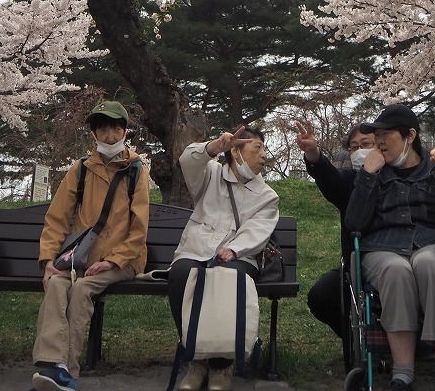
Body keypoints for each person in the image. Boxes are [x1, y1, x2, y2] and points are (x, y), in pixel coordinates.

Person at [346, 104, 435, 391]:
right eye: (376, 135)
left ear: (410, 135)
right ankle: (402, 372)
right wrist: (366, 177)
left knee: (427, 263)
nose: (378, 142)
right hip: (383, 248)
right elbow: (354, 222)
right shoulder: (372, 172)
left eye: (385, 135)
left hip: (434, 244)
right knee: (395, 270)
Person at [30, 100, 150, 391]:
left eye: (116, 129)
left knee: (83, 288)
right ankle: (50, 365)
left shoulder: (136, 171)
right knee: (57, 285)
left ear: (125, 132)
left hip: (124, 260)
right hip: (82, 258)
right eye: (103, 129)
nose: (110, 136)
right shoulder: (81, 168)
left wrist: (112, 261)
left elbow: (138, 229)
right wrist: (48, 261)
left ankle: (67, 372)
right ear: (94, 134)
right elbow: (57, 217)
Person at [168, 126, 279, 391]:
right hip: (198, 249)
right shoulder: (211, 175)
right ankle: (195, 358)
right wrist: (213, 147)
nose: (264, 155)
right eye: (257, 149)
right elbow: (187, 160)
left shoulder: (267, 196)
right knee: (181, 274)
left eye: (264, 149)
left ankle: (220, 366)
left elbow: (258, 230)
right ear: (236, 152)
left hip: (239, 255)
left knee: (229, 276)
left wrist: (235, 249)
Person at [295, 121, 376, 354]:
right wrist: (312, 152)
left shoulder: (398, 179)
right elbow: (328, 177)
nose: (359, 151)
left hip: (397, 262)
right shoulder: (350, 181)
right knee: (321, 296)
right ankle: (361, 339)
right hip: (357, 266)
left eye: (366, 144)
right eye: (354, 147)